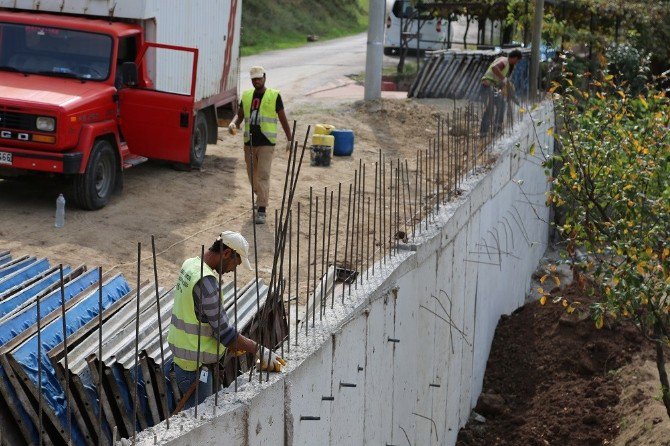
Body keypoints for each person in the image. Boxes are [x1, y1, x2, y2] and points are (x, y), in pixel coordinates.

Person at [167, 231, 286, 410]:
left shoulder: (191, 264)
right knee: (202, 423)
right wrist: (260, 350)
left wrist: (232, 344)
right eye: (235, 263)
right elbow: (226, 334)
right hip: (196, 368)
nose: (232, 270)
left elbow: (201, 318)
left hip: (186, 360)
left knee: (201, 414)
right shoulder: (206, 282)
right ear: (227, 253)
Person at [228, 66, 292, 225]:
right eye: (254, 79)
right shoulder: (247, 95)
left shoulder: (274, 95)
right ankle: (260, 197)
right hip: (249, 142)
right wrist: (233, 124)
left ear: (265, 77)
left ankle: (262, 209)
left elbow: (282, 117)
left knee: (263, 175)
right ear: (251, 80)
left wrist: (290, 138)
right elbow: (240, 115)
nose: (257, 81)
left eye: (259, 78)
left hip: (266, 143)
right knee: (252, 176)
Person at [480, 49, 523, 136]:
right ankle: (483, 133)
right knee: (490, 109)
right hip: (487, 87)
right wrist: (504, 79)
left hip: (491, 87)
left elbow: (499, 79)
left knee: (501, 105)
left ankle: (497, 129)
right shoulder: (504, 61)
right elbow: (494, 68)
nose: (516, 63)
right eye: (517, 61)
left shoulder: (505, 63)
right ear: (515, 58)